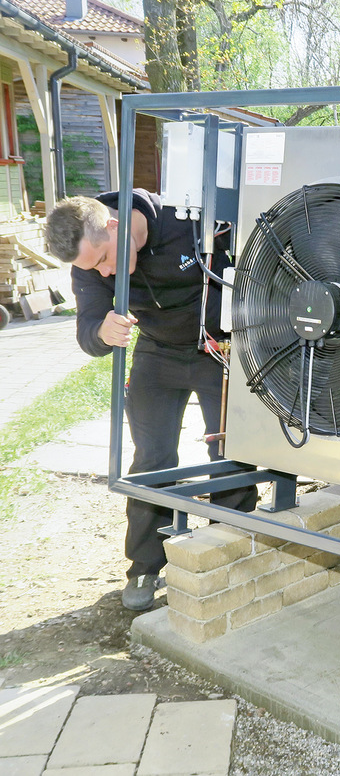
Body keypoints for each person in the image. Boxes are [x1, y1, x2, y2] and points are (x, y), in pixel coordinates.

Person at [45, 190, 259, 611]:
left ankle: (226, 549)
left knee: (229, 453)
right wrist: (100, 332)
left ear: (114, 225)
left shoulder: (188, 219)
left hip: (216, 347)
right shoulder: (89, 261)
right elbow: (88, 325)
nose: (105, 274)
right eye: (95, 268)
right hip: (156, 352)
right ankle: (145, 564)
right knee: (151, 458)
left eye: (106, 259)